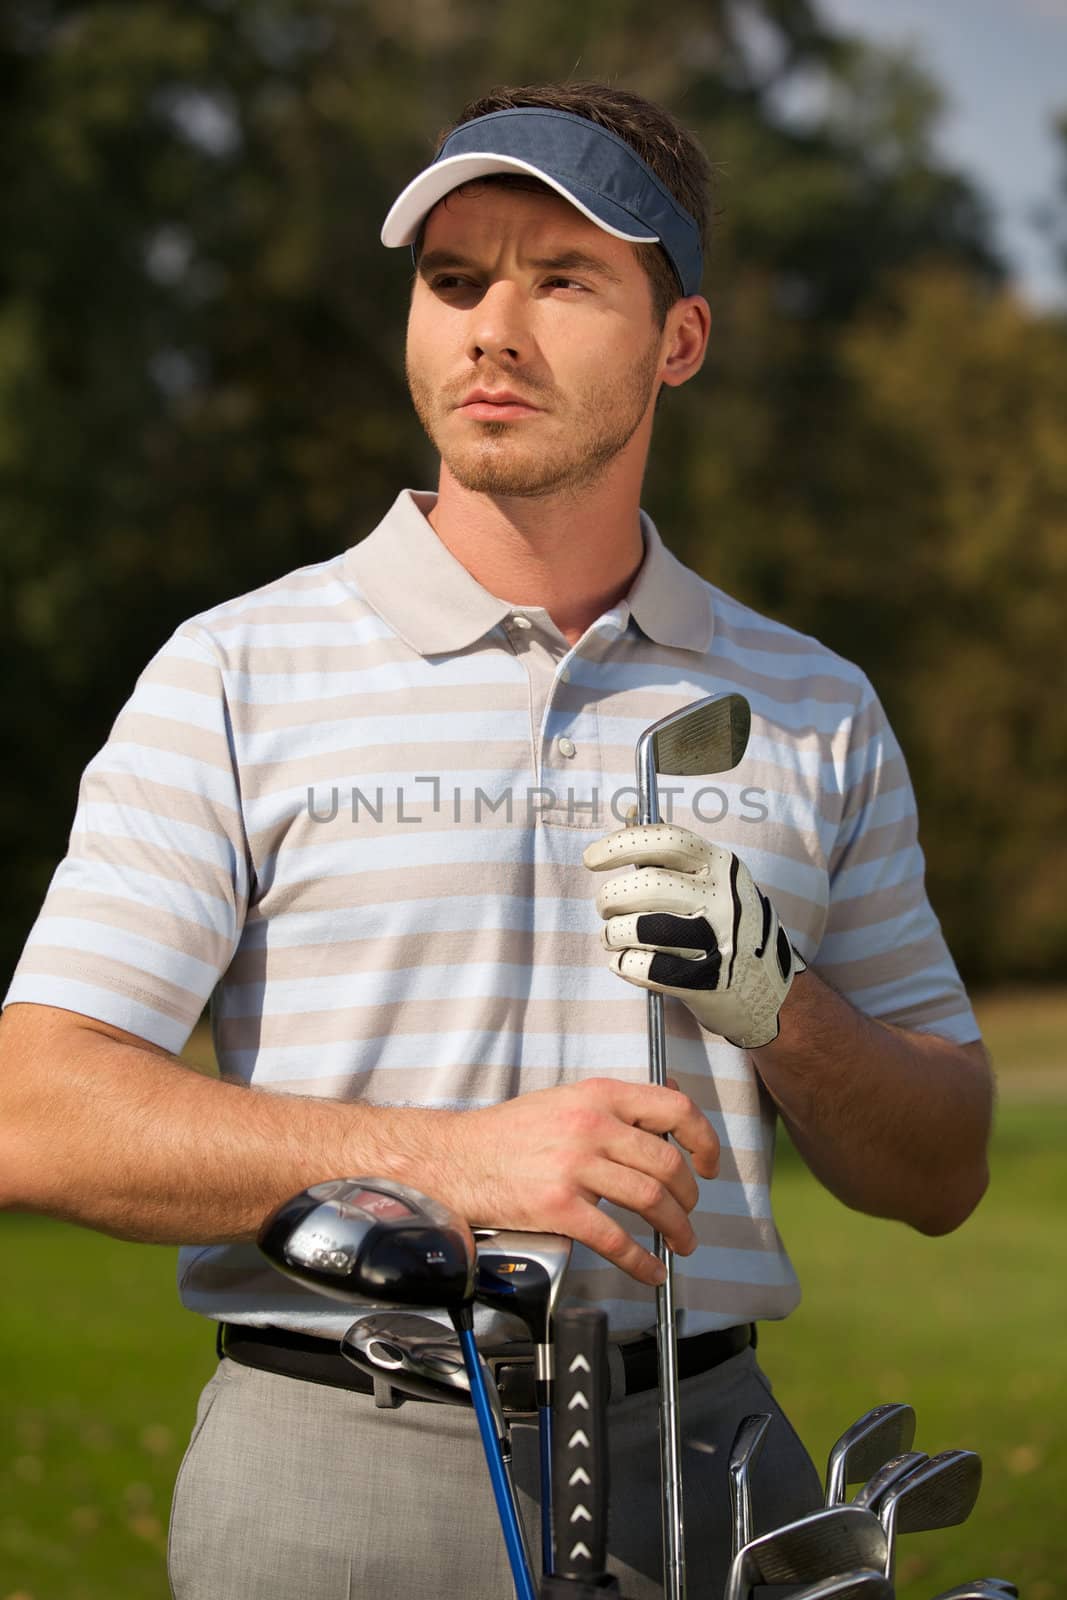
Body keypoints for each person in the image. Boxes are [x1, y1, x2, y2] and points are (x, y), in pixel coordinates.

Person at [0, 81, 993, 1600]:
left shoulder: (810, 705)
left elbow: (942, 1165)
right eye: (454, 281)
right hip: (339, 1465)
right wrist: (452, 1166)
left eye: (565, 279)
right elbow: (37, 1110)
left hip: (713, 1466)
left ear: (681, 342)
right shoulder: (236, 670)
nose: (491, 332)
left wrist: (778, 1004)